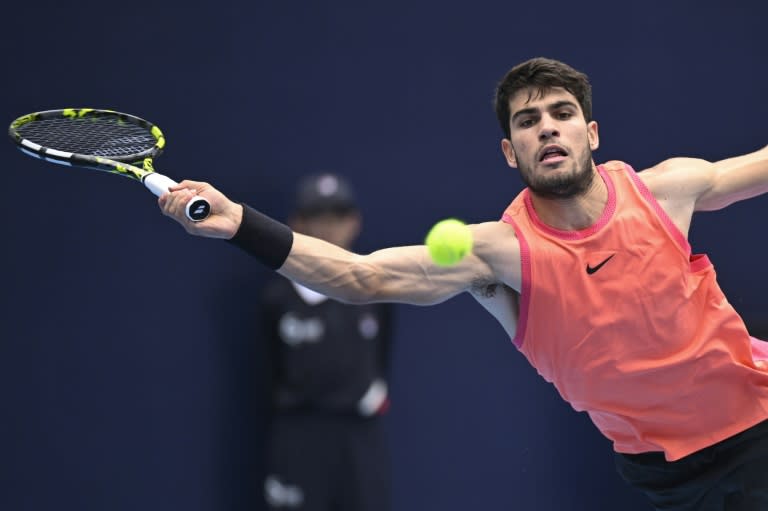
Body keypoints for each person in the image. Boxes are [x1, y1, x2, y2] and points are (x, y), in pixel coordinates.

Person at [158, 57, 768, 510]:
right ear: (510, 151)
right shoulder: (497, 252)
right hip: (674, 476)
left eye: (562, 114)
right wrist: (241, 224)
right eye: (528, 122)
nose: (548, 129)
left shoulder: (668, 188)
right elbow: (359, 275)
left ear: (592, 132)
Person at [259, 173, 394, 511]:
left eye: (338, 217)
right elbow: (265, 370)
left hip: (359, 438)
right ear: (296, 223)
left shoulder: (375, 292)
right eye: (318, 217)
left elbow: (382, 354)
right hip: (298, 436)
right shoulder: (276, 298)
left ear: (354, 222)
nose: (329, 228)